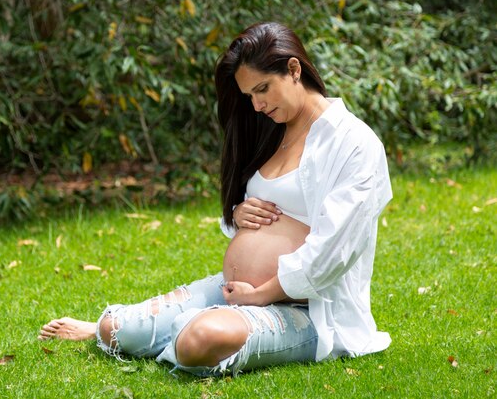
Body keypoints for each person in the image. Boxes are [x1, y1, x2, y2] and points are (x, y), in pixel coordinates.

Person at [39, 22, 393, 377]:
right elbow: (246, 211)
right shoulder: (271, 128)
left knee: (200, 340)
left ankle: (193, 326)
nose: (256, 105)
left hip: (313, 311)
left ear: (294, 69)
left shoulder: (354, 144)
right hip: (238, 290)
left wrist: (259, 295)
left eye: (263, 89)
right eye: (249, 96)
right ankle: (157, 327)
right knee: (113, 330)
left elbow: (334, 251)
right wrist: (238, 214)